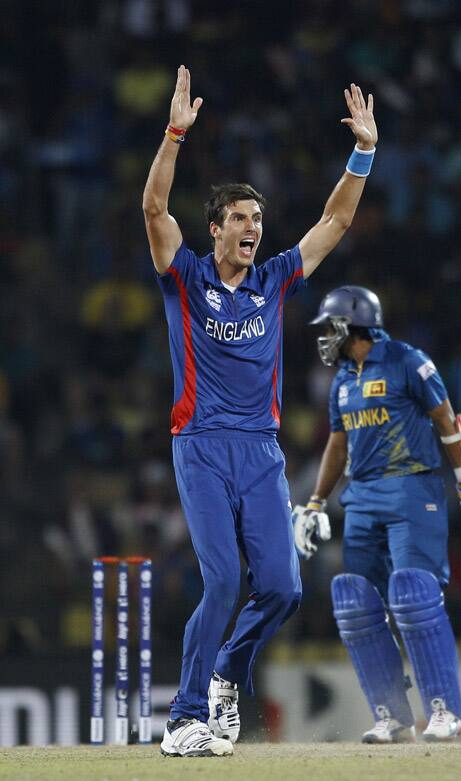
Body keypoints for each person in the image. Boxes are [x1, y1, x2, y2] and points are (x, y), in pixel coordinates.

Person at [142, 66, 378, 757]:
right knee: (222, 578)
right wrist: (174, 136)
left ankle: (224, 676)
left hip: (262, 450)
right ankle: (184, 718)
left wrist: (362, 152)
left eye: (259, 220)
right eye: (241, 219)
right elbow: (155, 210)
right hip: (202, 443)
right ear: (215, 227)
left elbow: (335, 220)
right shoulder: (185, 278)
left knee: (280, 587)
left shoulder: (274, 278)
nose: (254, 228)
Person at [292, 285, 461, 743]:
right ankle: (392, 714)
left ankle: (444, 710)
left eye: (330, 327)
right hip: (361, 497)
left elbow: (446, 419)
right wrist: (314, 503)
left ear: (352, 324)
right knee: (354, 600)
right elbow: (338, 444)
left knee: (413, 594)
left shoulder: (408, 360)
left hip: (412, 489)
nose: (325, 336)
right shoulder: (343, 379)